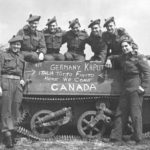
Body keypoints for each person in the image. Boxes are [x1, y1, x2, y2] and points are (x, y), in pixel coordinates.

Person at [105, 39, 150, 144]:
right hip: (125, 87)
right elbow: (113, 57)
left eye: (126, 46)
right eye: (123, 47)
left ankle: (138, 139)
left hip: (136, 86)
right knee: (120, 112)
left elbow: (147, 73)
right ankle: (116, 138)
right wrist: (108, 59)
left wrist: (143, 87)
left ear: (131, 45)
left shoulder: (138, 57)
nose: (124, 48)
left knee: (135, 114)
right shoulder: (122, 57)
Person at [0, 35, 25, 148]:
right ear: (10, 45)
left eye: (18, 44)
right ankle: (7, 134)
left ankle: (13, 131)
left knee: (16, 108)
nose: (16, 46)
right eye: (14, 44)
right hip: (6, 82)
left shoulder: (21, 56)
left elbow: (23, 71)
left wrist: (23, 79)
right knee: (6, 109)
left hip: (17, 84)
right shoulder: (3, 55)